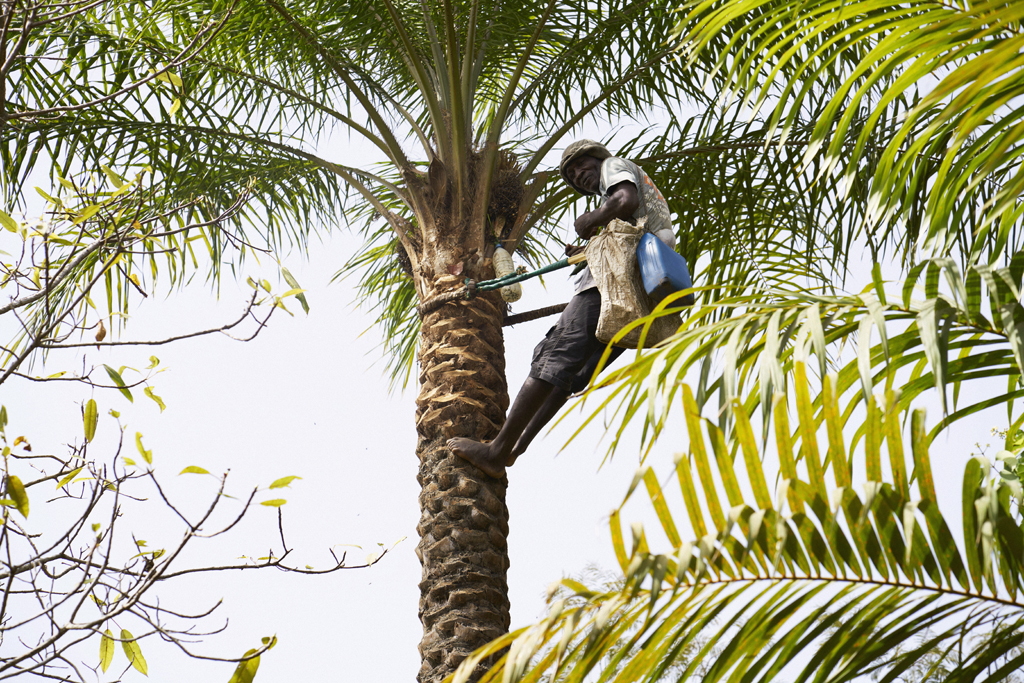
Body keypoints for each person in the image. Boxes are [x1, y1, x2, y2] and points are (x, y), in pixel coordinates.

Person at [447, 139, 676, 478]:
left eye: (582, 166)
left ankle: (496, 451)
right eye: (571, 173)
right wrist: (588, 242)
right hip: (638, 297)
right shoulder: (632, 198)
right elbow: (628, 215)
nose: (578, 175)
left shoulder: (616, 168)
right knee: (570, 375)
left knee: (553, 357)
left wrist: (590, 219)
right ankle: (515, 446)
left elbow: (624, 199)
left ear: (598, 159)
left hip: (610, 286)